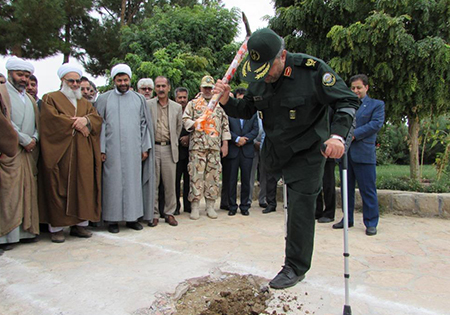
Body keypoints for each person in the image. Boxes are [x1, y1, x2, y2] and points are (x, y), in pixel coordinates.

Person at [214, 28, 359, 289]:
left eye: (268, 68)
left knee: (301, 208)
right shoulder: (258, 73)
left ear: (283, 55)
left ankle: (295, 266)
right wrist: (227, 100)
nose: (265, 75)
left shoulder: (312, 70)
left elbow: (347, 101)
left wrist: (337, 136)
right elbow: (247, 108)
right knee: (277, 200)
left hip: (308, 151)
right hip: (277, 150)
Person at [38, 64, 103, 243]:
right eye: (71, 81)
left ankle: (80, 226)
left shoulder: (84, 102)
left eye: (77, 81)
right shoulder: (50, 98)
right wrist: (75, 124)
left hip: (83, 154)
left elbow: (96, 119)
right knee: (59, 187)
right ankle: (57, 228)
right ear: (62, 81)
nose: (74, 84)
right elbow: (50, 121)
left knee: (83, 187)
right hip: (61, 153)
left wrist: (86, 120)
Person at [96, 64, 156, 233]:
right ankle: (112, 220)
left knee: (133, 184)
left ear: (130, 80)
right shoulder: (104, 99)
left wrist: (145, 148)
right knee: (112, 184)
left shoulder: (139, 99)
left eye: (125, 80)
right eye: (119, 80)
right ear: (114, 80)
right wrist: (101, 149)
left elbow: (144, 125)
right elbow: (99, 125)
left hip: (133, 150)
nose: (122, 83)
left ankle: (132, 218)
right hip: (111, 150)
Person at [332, 74, 385, 236]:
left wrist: (353, 134)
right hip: (346, 154)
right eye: (353, 88)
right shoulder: (345, 105)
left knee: (367, 190)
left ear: (366, 88)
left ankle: (371, 222)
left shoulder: (376, 105)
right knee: (346, 189)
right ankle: (347, 219)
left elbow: (375, 124)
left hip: (364, 153)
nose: (355, 91)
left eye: (359, 88)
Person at [0, 57, 39, 252]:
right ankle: (4, 236)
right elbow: (5, 122)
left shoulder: (30, 98)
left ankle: (25, 233)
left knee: (26, 192)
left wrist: (34, 138)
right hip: (9, 152)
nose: (23, 79)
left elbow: (38, 123)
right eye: (19, 75)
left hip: (27, 153)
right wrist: (24, 140)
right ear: (10, 74)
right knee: (7, 194)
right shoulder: (2, 93)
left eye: (26, 76)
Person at [183, 75, 231, 220]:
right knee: (195, 176)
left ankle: (210, 206)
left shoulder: (218, 104)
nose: (208, 90)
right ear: (200, 88)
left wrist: (225, 144)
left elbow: (224, 125)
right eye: (205, 87)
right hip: (198, 146)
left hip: (214, 147)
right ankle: (195, 206)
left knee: (213, 177)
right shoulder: (193, 104)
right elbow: (185, 119)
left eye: (210, 88)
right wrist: (195, 123)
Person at [147, 76, 182, 227]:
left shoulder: (176, 107)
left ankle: (169, 213)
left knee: (170, 183)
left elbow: (179, 127)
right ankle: (154, 214)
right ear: (155, 88)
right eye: (158, 86)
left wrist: (172, 142)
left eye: (163, 86)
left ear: (168, 88)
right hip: (153, 147)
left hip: (169, 148)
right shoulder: (148, 105)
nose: (161, 89)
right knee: (153, 183)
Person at [225, 89, 259, 216]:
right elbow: (226, 129)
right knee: (231, 179)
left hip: (247, 150)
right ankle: (232, 206)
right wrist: (237, 139)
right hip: (233, 150)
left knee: (246, 180)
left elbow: (255, 130)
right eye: (239, 99)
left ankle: (245, 206)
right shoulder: (229, 113)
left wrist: (246, 139)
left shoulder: (253, 113)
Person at [315, 107, 337, 223]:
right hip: (314, 150)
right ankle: (317, 211)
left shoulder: (331, 108)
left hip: (327, 149)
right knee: (315, 182)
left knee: (328, 182)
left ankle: (329, 212)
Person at [174, 87, 191, 214]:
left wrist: (189, 138)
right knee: (175, 181)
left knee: (189, 181)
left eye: (184, 97)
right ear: (175, 98)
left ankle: (188, 206)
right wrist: (181, 138)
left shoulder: (192, 111)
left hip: (190, 152)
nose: (182, 100)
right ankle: (175, 207)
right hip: (176, 152)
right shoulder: (173, 111)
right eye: (180, 97)